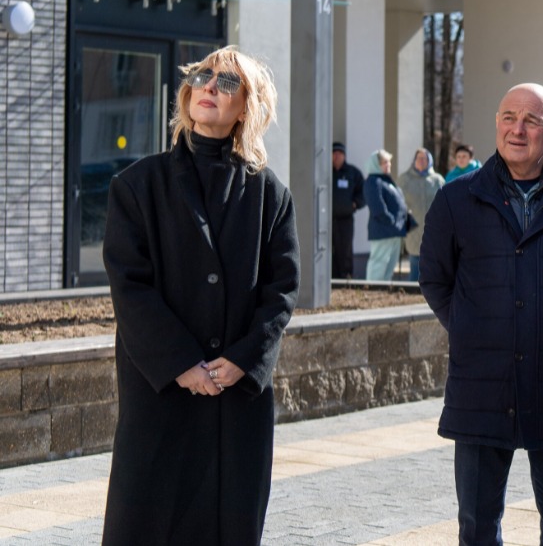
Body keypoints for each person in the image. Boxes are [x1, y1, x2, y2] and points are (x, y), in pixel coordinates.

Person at [101, 47, 300, 545]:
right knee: (147, 522)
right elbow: (130, 286)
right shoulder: (137, 185)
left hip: (237, 403)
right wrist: (182, 363)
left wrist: (243, 360)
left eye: (228, 82)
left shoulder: (269, 195)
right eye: (203, 76)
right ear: (188, 93)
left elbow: (282, 291)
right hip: (161, 394)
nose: (211, 86)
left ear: (248, 107)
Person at [420, 83, 543, 545]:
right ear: (496, 123)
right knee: (476, 525)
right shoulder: (457, 199)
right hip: (481, 385)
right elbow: (435, 278)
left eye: (532, 120)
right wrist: (468, 326)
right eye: (508, 116)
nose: (518, 129)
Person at [396, 147, 445, 281]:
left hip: (433, 227)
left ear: (430, 161)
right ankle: (413, 292)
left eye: (425, 158)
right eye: (419, 158)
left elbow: (444, 203)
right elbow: (398, 201)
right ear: (414, 160)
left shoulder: (437, 180)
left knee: (432, 264)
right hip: (413, 228)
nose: (422, 161)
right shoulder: (405, 179)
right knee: (415, 262)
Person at [363, 149, 410, 282]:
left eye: (389, 162)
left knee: (389, 265)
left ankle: (383, 293)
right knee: (378, 263)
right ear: (375, 164)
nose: (388, 164)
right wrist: (391, 221)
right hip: (383, 230)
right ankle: (372, 292)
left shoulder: (387, 181)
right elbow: (378, 208)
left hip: (394, 231)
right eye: (384, 162)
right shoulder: (373, 181)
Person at [332, 141, 366, 278]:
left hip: (345, 220)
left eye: (340, 153)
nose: (337, 156)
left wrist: (354, 204)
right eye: (334, 153)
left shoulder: (353, 173)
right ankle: (331, 279)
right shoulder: (325, 171)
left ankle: (346, 277)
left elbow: (363, 193)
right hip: (327, 219)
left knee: (345, 249)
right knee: (328, 250)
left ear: (344, 156)